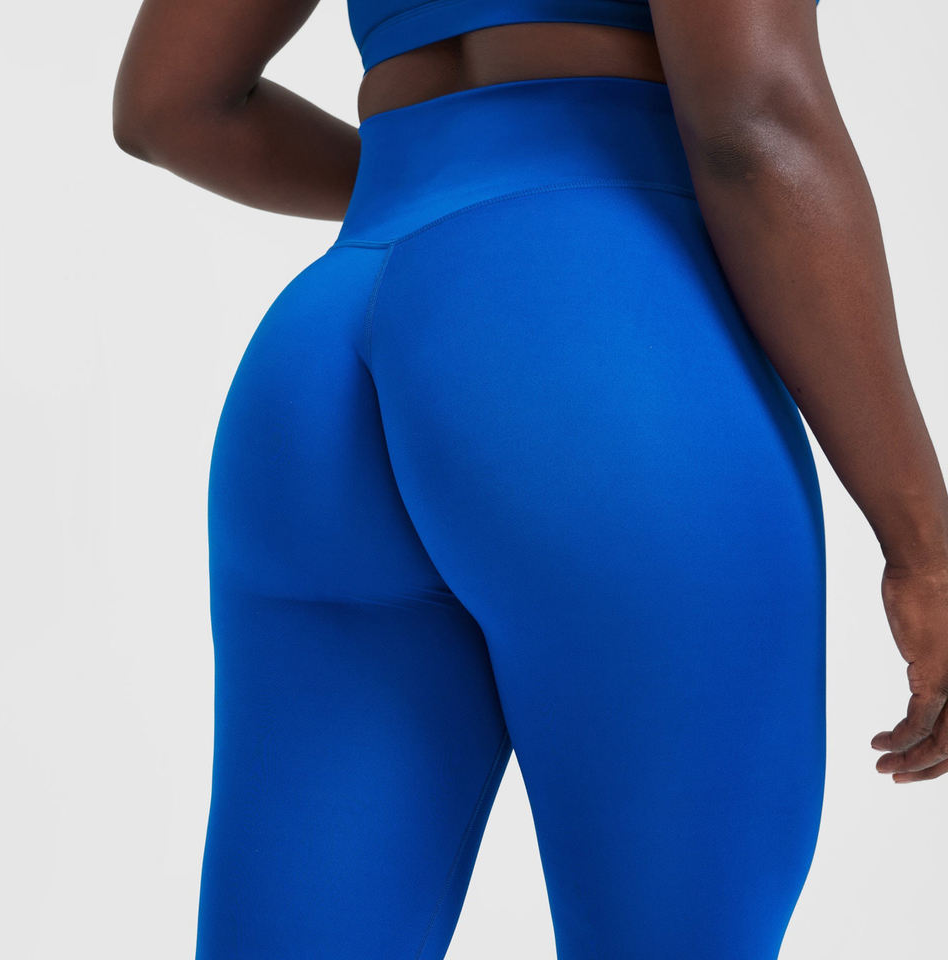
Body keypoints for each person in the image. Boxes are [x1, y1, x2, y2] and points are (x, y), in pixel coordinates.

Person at [112, 0, 948, 956]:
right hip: (601, 334)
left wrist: (447, 194)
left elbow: (168, 106)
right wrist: (924, 549)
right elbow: (751, 120)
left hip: (323, 351)